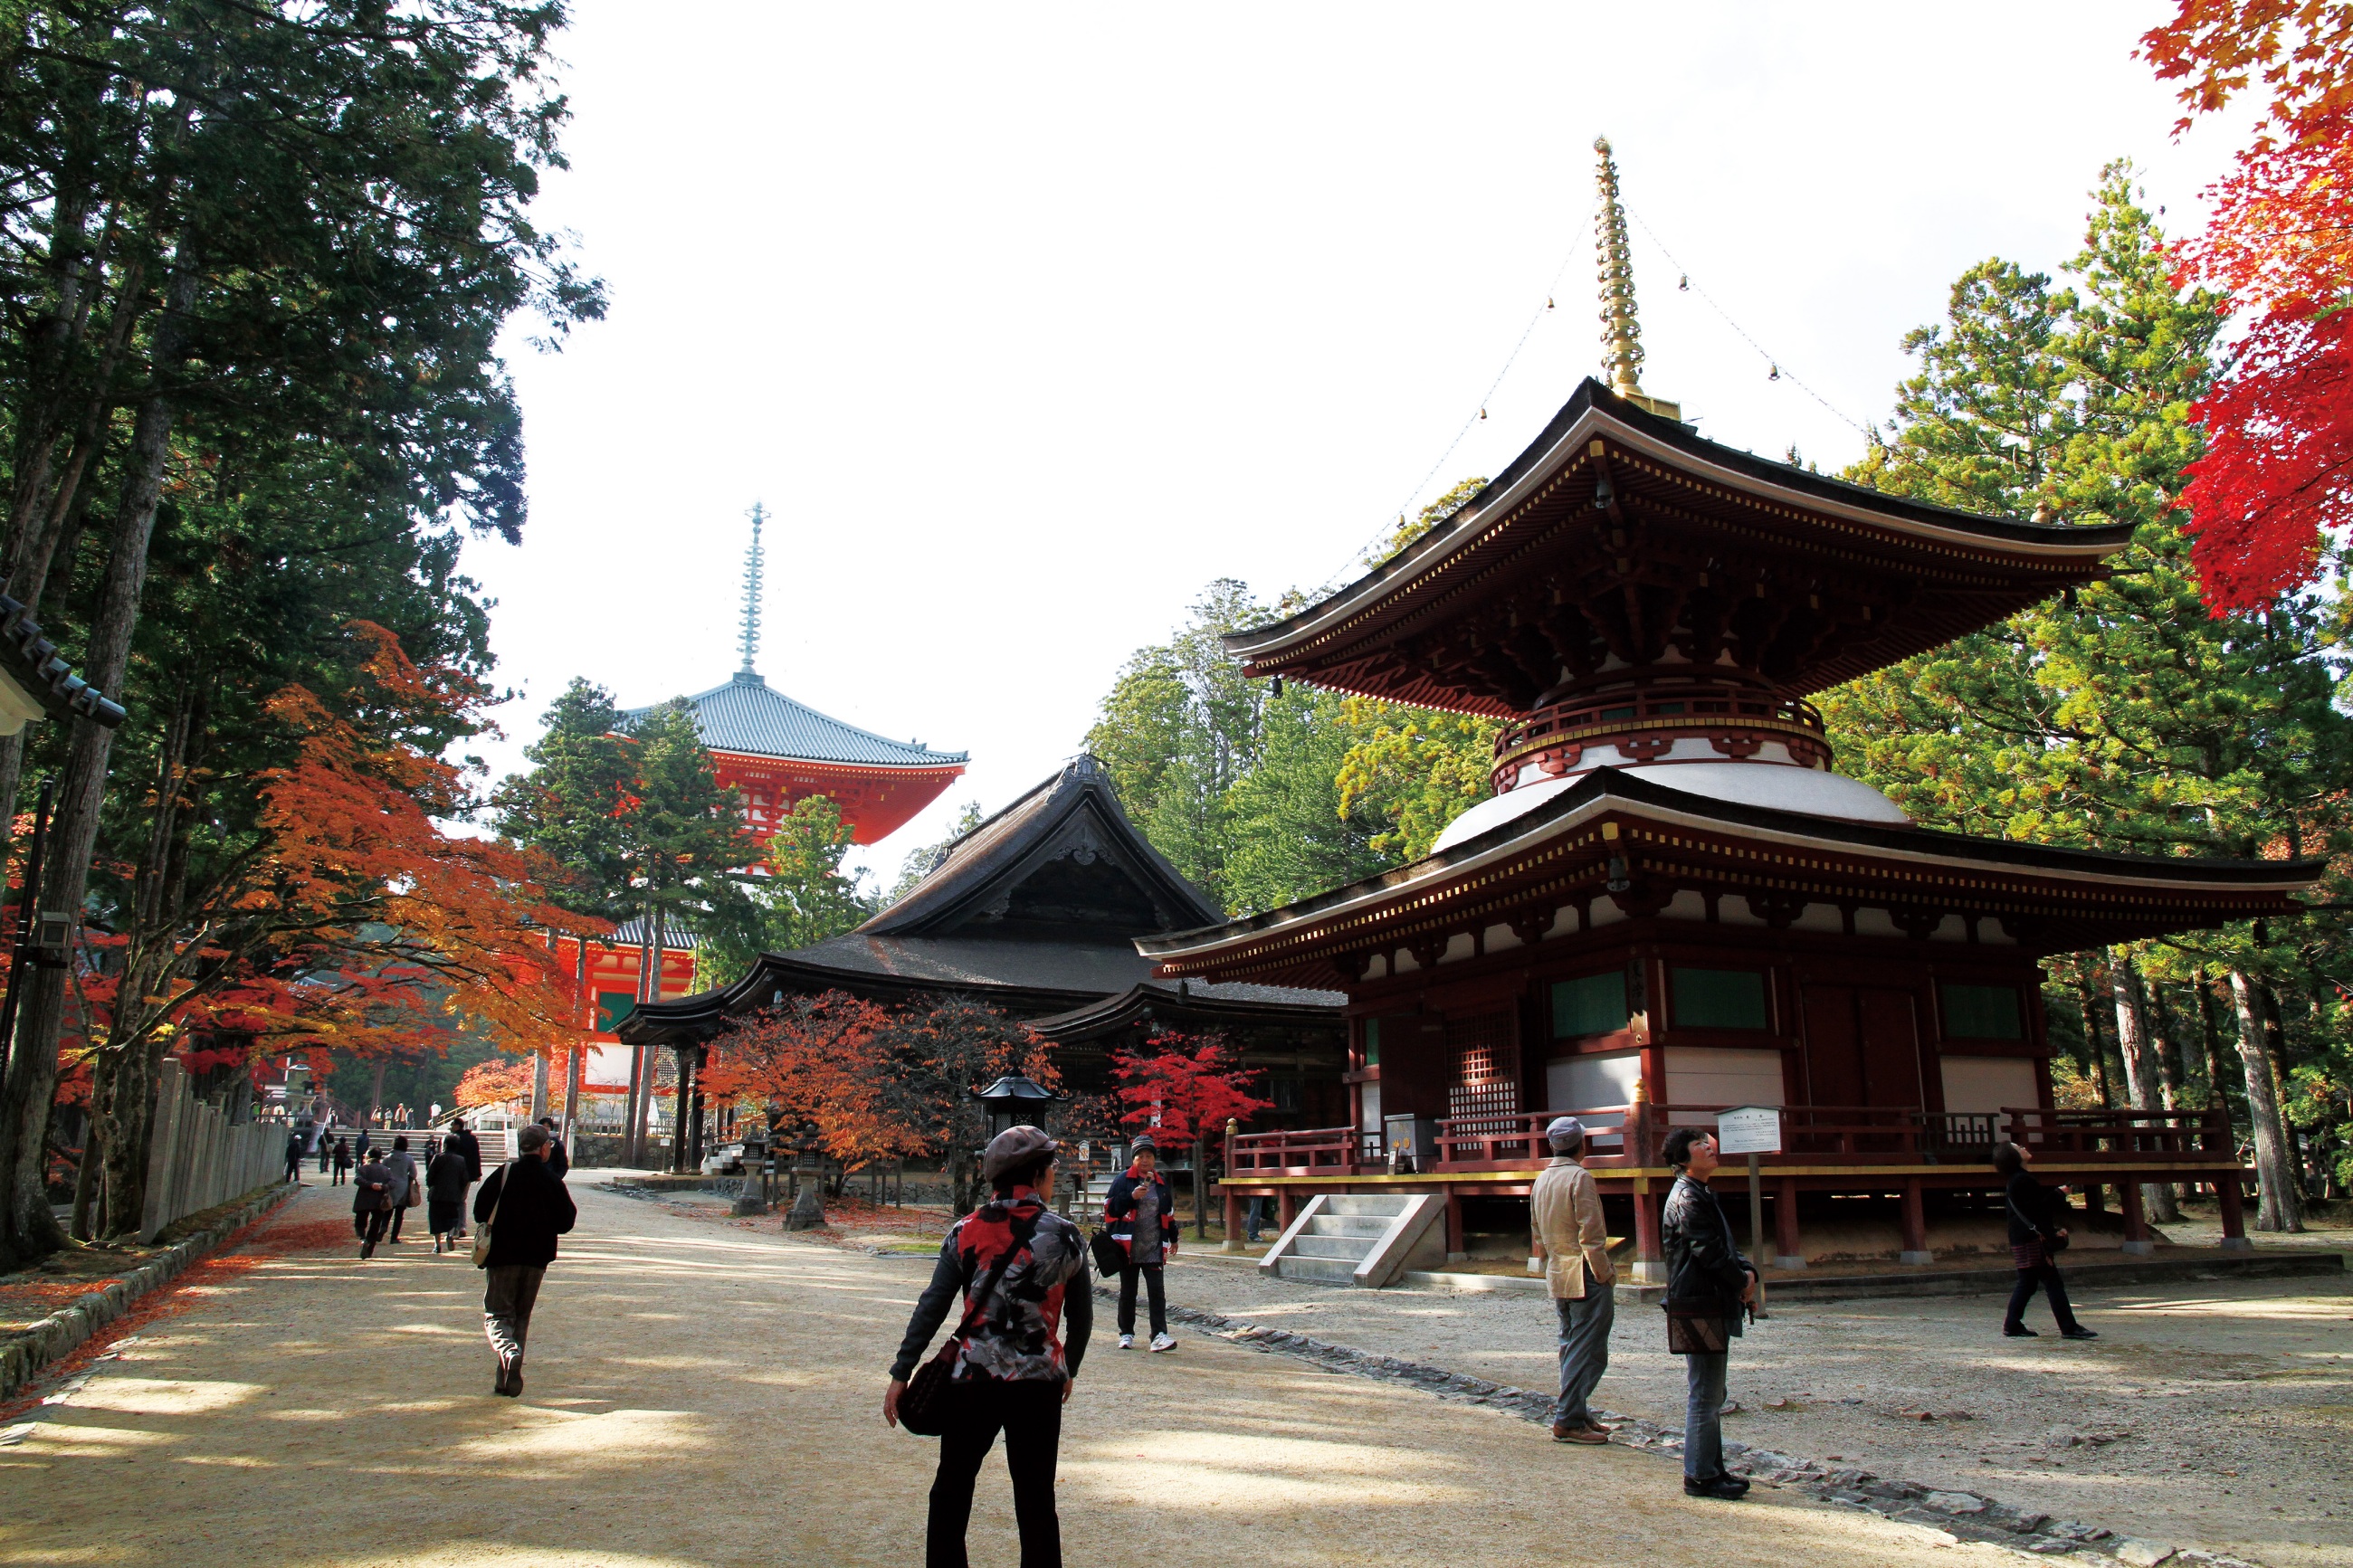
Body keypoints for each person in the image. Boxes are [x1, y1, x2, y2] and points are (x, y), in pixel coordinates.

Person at [886, 1126, 1091, 1568]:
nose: (1054, 1174)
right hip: (1037, 1382)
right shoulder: (1066, 1235)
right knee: (1036, 1496)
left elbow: (933, 1305)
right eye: (1051, 1167)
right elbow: (1083, 1318)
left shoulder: (966, 1231)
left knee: (952, 1490)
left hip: (972, 1379)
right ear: (1037, 1176)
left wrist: (902, 1371)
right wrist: (1066, 1366)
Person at [1661, 1126, 1757, 1501]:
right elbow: (1708, 1251)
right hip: (1698, 1302)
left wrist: (1748, 1273)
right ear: (1684, 1159)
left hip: (1706, 1299)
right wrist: (1741, 1281)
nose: (1708, 1146)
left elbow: (1725, 1245)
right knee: (1705, 1392)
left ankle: (1712, 1469)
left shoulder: (1698, 1192)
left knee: (1712, 1390)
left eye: (1707, 1141)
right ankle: (1700, 1475)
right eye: (1699, 1144)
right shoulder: (1688, 1196)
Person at [473, 1123, 578, 1397]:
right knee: (521, 1317)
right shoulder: (551, 1181)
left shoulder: (504, 1174)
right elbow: (566, 1221)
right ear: (544, 1148)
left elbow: (479, 1210)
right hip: (536, 1258)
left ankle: (508, 1353)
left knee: (497, 1314)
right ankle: (505, 1378)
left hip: (502, 1254)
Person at [1530, 1116, 1615, 1445]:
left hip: (1558, 1269)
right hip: (1584, 1270)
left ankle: (1577, 1410)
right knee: (1589, 1346)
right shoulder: (1580, 1178)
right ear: (1582, 1144)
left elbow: (1536, 1229)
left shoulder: (1541, 1180)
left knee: (1571, 1342)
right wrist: (1603, 1271)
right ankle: (1568, 1417)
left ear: (1552, 1145)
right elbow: (1591, 1232)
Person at [1995, 1141, 2098, 1341]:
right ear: (2014, 1157)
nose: (2023, 1148)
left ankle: (2012, 1324)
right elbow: (2038, 1210)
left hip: (2021, 1237)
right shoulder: (2023, 1180)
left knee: (2028, 1283)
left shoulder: (2016, 1180)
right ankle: (2069, 1327)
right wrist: (2059, 1194)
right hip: (2032, 1239)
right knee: (2052, 1282)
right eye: (2018, 1148)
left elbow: (2030, 1211)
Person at [1102, 1137, 1176, 1352]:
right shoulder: (1123, 1180)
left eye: (1149, 1156)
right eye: (1140, 1156)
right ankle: (1126, 1333)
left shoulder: (1161, 1184)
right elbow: (1110, 1209)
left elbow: (1169, 1214)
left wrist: (1174, 1238)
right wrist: (1131, 1196)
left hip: (1153, 1245)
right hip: (1128, 1247)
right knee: (1128, 1292)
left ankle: (1159, 1335)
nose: (1145, 1160)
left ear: (1154, 1159)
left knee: (1157, 1292)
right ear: (1133, 1159)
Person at [426, 1137, 472, 1254]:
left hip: (437, 1194)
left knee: (435, 1219)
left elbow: (429, 1177)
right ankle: (450, 1235)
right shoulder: (461, 1160)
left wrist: (431, 1185)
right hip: (453, 1194)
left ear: (445, 1145)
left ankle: (437, 1245)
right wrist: (459, 1191)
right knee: (452, 1218)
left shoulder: (437, 1158)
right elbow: (465, 1178)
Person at [352, 1148, 396, 1259]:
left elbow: (357, 1180)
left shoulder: (363, 1168)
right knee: (375, 1224)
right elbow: (393, 1182)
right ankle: (370, 1246)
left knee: (360, 1222)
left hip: (363, 1199)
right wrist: (383, 1186)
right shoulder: (386, 1170)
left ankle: (362, 1238)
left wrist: (370, 1184)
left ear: (368, 1156)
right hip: (379, 1200)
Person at [444, 1117, 481, 1240]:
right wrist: (477, 1173)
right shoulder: (471, 1139)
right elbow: (476, 1156)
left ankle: (454, 1227)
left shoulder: (451, 1139)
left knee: (452, 1200)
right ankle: (462, 1227)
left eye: (452, 1124)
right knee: (461, 1200)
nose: (450, 1127)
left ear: (457, 1126)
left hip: (452, 1173)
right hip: (467, 1174)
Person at [381, 1135, 421, 1244]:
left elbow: (382, 1171)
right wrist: (408, 1179)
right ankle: (394, 1237)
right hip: (403, 1187)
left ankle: (383, 1226)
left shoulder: (387, 1158)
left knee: (388, 1209)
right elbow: (413, 1173)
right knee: (399, 1214)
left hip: (390, 1186)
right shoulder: (408, 1159)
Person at [538, 1116, 569, 1180]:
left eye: (548, 1126)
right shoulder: (534, 1140)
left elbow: (563, 1163)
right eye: (543, 1125)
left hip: (551, 1176)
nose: (545, 1128)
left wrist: (557, 1178)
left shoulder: (557, 1144)